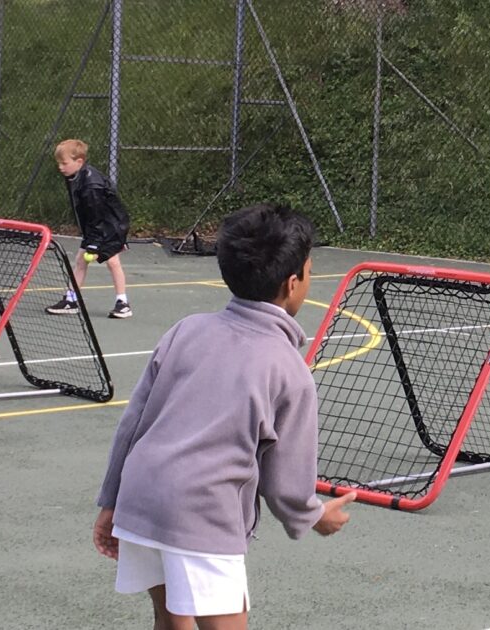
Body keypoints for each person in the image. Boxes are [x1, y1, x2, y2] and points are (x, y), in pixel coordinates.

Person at [92, 204, 357, 628]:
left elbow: (133, 424)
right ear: (293, 284)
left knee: (170, 619)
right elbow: (286, 481)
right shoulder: (289, 370)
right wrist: (313, 516)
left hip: (142, 497)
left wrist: (111, 501)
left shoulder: (186, 330)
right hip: (203, 514)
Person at [47, 139, 134, 319]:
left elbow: (97, 216)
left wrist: (94, 244)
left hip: (111, 226)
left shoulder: (91, 185)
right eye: (59, 163)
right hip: (97, 226)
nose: (61, 167)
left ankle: (123, 304)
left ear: (79, 162)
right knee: (81, 260)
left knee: (112, 262)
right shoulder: (74, 176)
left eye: (64, 163)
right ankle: (71, 300)